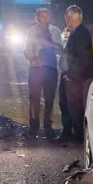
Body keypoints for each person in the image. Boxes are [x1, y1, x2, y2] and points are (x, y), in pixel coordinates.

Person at [23, 7, 62, 138]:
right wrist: (34, 57)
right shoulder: (31, 32)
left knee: (49, 99)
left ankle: (48, 126)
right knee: (34, 99)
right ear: (37, 18)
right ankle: (34, 127)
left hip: (50, 69)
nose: (45, 19)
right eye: (42, 16)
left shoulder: (55, 31)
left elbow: (60, 49)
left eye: (47, 16)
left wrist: (50, 43)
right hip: (35, 69)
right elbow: (26, 51)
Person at [57, 5, 93, 144]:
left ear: (71, 17)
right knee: (65, 105)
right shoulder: (74, 32)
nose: (66, 20)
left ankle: (78, 137)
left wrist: (71, 76)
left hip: (77, 80)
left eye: (67, 17)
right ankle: (67, 133)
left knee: (75, 109)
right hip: (70, 77)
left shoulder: (82, 34)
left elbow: (83, 60)